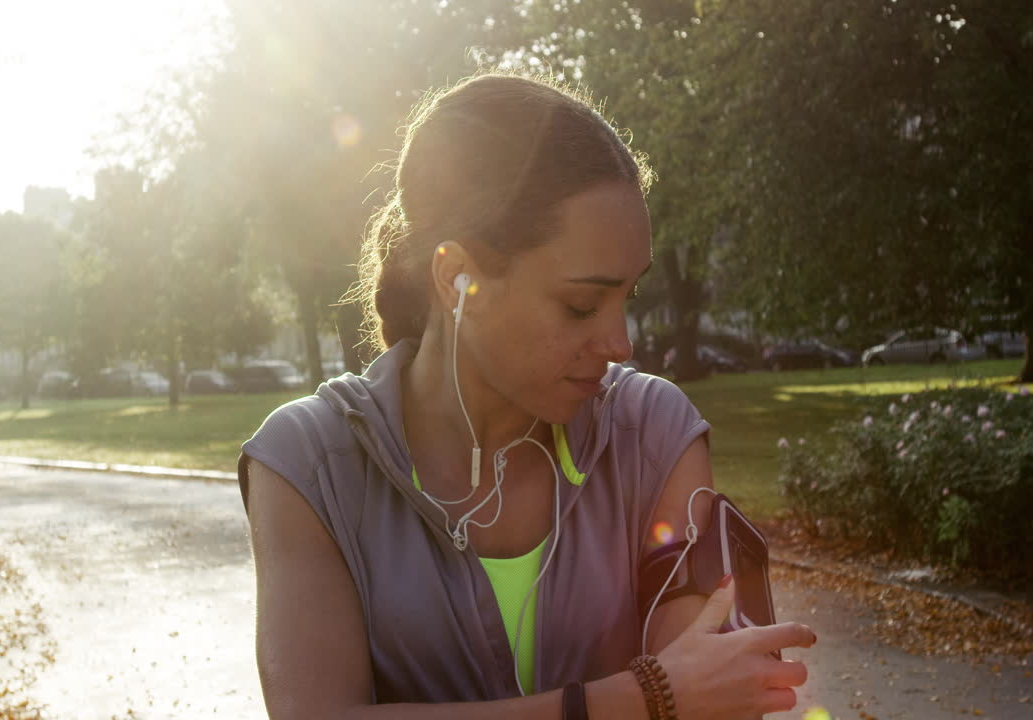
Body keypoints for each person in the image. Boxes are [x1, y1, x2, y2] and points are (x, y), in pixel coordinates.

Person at [238, 72, 815, 720]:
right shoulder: (310, 466)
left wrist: (668, 695)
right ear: (458, 278)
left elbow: (711, 695)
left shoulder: (654, 433)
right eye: (580, 304)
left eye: (629, 297)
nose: (620, 343)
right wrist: (643, 695)